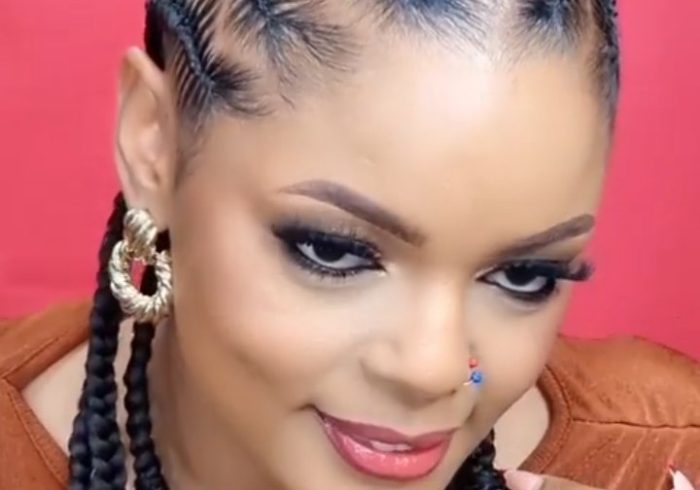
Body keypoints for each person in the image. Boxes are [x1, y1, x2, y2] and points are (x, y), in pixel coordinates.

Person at [0, 0, 698, 489]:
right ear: (154, 143)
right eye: (333, 252)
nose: (435, 369)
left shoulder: (663, 453)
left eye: (523, 275)